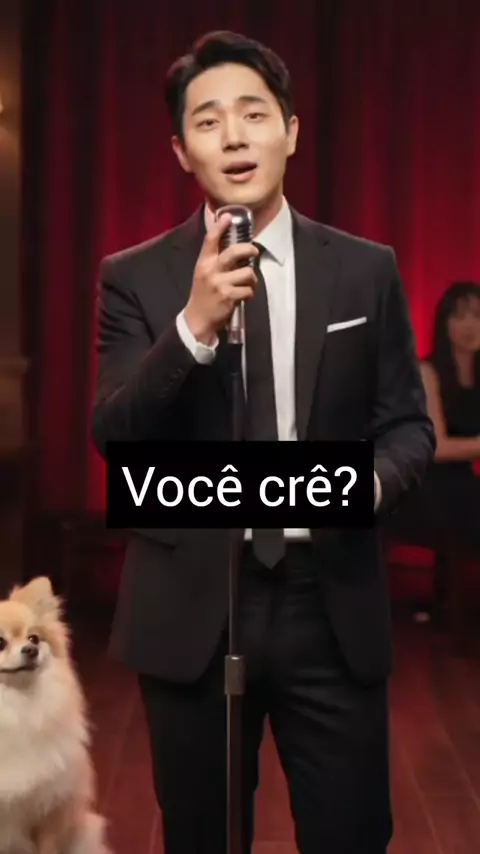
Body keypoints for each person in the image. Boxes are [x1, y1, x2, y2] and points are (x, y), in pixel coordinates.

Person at [91, 30, 435, 854]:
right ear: (182, 151)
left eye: (253, 114)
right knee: (203, 837)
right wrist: (193, 328)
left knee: (352, 834)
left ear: (292, 130)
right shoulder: (134, 277)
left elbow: (408, 426)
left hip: (330, 597)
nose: (235, 137)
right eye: (208, 122)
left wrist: (360, 486)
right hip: (194, 606)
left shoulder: (365, 270)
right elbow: (116, 436)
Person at [394, 281, 480, 622]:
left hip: (462, 480)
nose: (470, 325)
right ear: (445, 324)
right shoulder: (427, 372)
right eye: (460, 316)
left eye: (477, 316)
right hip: (424, 482)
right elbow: (437, 447)